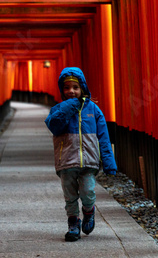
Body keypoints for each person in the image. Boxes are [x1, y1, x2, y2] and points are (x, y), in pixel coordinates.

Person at [44, 67, 117, 242]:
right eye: (67, 87)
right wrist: (68, 107)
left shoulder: (94, 110)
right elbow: (54, 126)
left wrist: (108, 162)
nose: (71, 91)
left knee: (88, 192)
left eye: (75, 87)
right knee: (70, 196)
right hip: (66, 161)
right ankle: (73, 224)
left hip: (89, 162)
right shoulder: (58, 109)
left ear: (83, 88)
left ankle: (89, 211)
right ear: (62, 89)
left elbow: (104, 138)